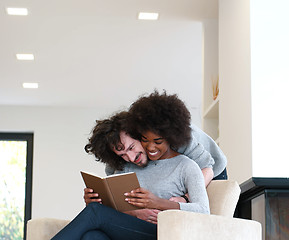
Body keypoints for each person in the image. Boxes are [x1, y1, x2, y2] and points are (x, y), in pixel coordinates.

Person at [52, 91, 209, 240]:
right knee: (92, 236)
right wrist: (95, 200)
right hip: (130, 230)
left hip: (162, 232)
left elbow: (203, 211)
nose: (131, 158)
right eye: (123, 155)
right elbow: (114, 210)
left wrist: (159, 202)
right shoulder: (125, 169)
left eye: (131, 148)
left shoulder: (186, 166)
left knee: (94, 213)